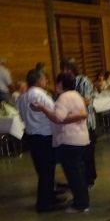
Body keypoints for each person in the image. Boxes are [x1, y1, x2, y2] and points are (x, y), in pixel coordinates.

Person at [31, 72, 90, 213]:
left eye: (57, 83)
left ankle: (80, 204)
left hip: (69, 140)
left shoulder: (64, 98)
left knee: (73, 174)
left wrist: (43, 109)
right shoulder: (76, 95)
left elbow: (58, 118)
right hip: (81, 139)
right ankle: (82, 201)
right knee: (79, 173)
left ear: (61, 84)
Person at [17, 67, 65, 212]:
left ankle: (50, 196)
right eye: (44, 79)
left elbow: (21, 116)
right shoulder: (41, 95)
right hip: (44, 136)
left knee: (43, 169)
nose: (46, 81)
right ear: (38, 80)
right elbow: (54, 112)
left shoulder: (22, 97)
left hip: (32, 136)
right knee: (46, 170)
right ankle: (44, 203)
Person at [61, 58, 98, 187]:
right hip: (75, 123)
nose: (63, 72)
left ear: (70, 69)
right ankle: (81, 178)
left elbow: (87, 100)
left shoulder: (83, 81)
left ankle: (89, 178)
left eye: (65, 69)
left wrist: (70, 101)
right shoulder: (68, 83)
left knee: (88, 153)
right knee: (79, 154)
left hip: (87, 122)